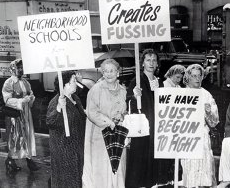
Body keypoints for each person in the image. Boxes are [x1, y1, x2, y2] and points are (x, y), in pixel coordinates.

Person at [126, 49, 174, 188]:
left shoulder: (158, 81)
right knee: (141, 156)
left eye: (154, 60)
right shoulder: (137, 80)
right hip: (143, 126)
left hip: (156, 126)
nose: (151, 63)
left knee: (153, 157)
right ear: (142, 63)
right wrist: (135, 96)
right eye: (148, 60)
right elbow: (128, 102)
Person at [82, 59, 127, 188]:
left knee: (117, 168)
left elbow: (125, 111)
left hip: (118, 136)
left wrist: (122, 116)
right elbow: (92, 112)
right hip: (100, 137)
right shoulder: (96, 90)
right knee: (102, 170)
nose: (108, 74)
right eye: (105, 71)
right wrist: (109, 122)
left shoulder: (123, 90)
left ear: (117, 73)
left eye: (112, 70)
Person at [180, 64, 219, 188]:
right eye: (194, 76)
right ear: (188, 77)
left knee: (204, 174)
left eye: (199, 75)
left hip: (202, 138)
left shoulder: (206, 95)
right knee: (189, 172)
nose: (197, 78)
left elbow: (214, 122)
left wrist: (208, 112)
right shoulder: (180, 94)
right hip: (186, 138)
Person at [46, 71, 86, 188]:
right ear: (65, 85)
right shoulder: (56, 101)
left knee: (76, 179)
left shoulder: (75, 98)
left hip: (76, 147)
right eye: (73, 81)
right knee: (66, 181)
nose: (76, 83)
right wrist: (59, 107)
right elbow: (50, 122)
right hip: (64, 150)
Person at [2, 59, 39, 172]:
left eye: (22, 67)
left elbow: (31, 94)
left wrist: (31, 98)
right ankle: (10, 160)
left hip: (26, 114)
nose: (21, 69)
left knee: (27, 135)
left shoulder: (26, 82)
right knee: (15, 137)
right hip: (15, 115)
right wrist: (22, 101)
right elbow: (7, 100)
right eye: (18, 67)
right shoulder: (9, 82)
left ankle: (28, 159)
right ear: (13, 69)